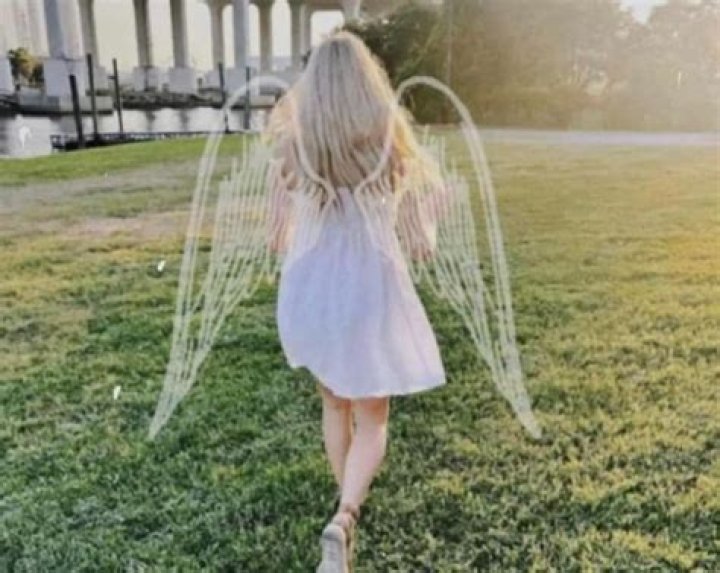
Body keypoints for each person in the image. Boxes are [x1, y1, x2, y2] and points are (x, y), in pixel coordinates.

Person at [263, 30, 449, 573]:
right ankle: (345, 515)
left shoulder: (293, 148)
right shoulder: (389, 143)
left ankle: (344, 513)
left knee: (334, 405)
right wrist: (432, 216)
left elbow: (276, 240)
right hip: (371, 290)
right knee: (372, 417)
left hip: (314, 290)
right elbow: (419, 245)